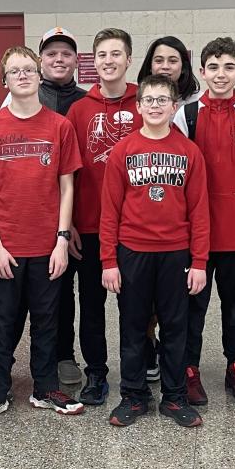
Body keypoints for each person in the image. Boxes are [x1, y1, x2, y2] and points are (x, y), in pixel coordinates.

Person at [0, 46, 85, 426]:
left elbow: (67, 187)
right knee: (1, 322)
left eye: (29, 70)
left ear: (39, 77)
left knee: (48, 320)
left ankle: (45, 387)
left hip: (47, 245)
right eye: (14, 71)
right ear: (4, 81)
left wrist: (62, 240)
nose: (23, 75)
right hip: (7, 247)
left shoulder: (59, 126)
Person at [100, 74, 210, 428]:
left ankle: (175, 397)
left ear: (174, 106)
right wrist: (109, 261)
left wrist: (199, 262)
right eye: (149, 100)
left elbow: (199, 211)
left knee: (176, 327)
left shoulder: (189, 152)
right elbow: (110, 211)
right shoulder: (123, 151)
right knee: (133, 326)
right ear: (139, 106)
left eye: (163, 100)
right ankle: (133, 396)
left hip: (176, 253)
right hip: (133, 252)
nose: (156, 106)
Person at [172, 37, 235, 405]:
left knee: (234, 304)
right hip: (196, 235)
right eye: (213, 67)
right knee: (193, 306)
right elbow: (177, 177)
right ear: (202, 71)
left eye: (228, 67)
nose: (221, 75)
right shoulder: (187, 116)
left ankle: (234, 365)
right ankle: (189, 369)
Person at [4, 27, 86, 385]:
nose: (58, 59)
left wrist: (69, 226)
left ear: (75, 60)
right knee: (39, 293)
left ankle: (65, 355)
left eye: (65, 53)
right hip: (41, 220)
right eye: (50, 53)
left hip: (80, 214)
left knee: (68, 296)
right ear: (41, 62)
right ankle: (18, 362)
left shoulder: (85, 102)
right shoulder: (18, 103)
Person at [64, 28, 142, 406]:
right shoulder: (79, 110)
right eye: (102, 55)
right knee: (91, 307)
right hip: (90, 228)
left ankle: (136, 374)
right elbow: (69, 174)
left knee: (135, 308)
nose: (109, 61)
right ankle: (96, 373)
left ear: (129, 60)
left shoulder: (145, 104)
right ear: (92, 63)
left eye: (116, 54)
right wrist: (70, 224)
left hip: (134, 230)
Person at [135, 35, 201, 379]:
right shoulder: (134, 137)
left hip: (180, 232)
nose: (165, 66)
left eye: (172, 60)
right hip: (139, 238)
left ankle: (182, 374)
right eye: (158, 60)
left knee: (178, 313)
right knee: (139, 312)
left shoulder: (196, 107)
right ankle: (146, 361)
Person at [137, 36, 201, 104]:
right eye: (159, 61)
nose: (165, 66)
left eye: (173, 61)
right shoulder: (138, 100)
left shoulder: (199, 103)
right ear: (149, 66)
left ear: (183, 68)